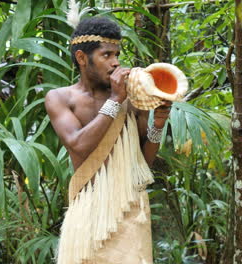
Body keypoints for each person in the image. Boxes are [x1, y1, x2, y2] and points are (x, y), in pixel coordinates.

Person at [45, 16, 171, 264]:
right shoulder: (60, 98)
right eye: (106, 55)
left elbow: (144, 162)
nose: (115, 63)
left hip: (130, 210)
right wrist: (115, 100)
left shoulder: (132, 97)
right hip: (88, 209)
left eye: (117, 55)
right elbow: (78, 145)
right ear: (82, 58)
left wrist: (158, 123)